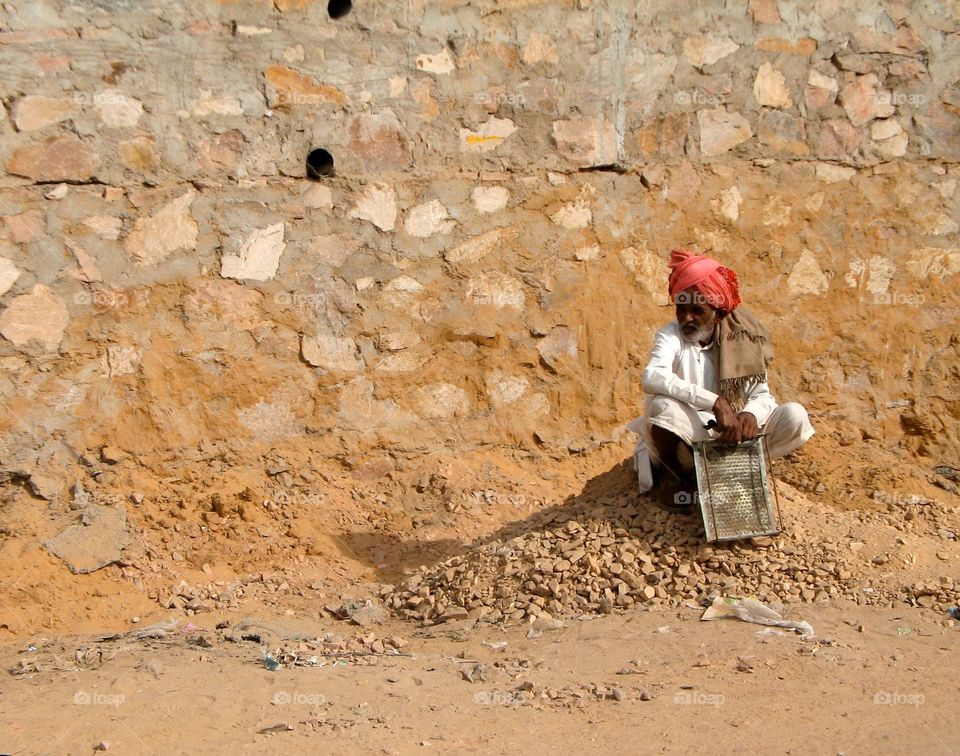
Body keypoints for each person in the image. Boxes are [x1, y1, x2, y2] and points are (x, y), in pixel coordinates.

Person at [629, 248, 814, 513]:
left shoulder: (741, 340)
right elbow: (653, 376)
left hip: (730, 441)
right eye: (681, 309)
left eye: (697, 310)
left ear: (717, 312)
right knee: (662, 407)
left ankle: (731, 472)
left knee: (795, 416)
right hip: (688, 444)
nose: (686, 318)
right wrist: (715, 402)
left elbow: (762, 396)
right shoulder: (670, 336)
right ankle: (679, 479)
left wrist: (749, 414)